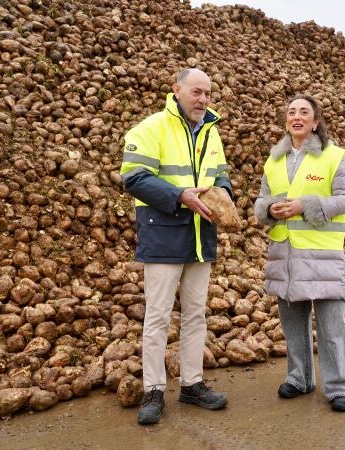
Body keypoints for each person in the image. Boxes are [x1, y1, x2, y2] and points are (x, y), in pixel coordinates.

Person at [119, 68, 231, 425]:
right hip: (164, 231)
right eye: (197, 92)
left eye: (208, 93)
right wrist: (179, 196)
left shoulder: (211, 132)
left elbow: (221, 173)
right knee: (158, 315)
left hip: (201, 236)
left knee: (196, 312)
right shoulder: (150, 128)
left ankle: (192, 384)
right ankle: (153, 389)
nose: (203, 99)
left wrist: (225, 193)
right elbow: (133, 178)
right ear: (176, 90)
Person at [254, 94, 345, 412]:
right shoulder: (273, 162)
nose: (296, 117)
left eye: (304, 112)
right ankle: (299, 378)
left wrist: (306, 206)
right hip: (285, 254)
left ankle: (342, 386)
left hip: (322, 255)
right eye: (291, 112)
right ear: (286, 121)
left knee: (331, 324)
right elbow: (260, 204)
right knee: (293, 322)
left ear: (315, 122)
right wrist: (270, 208)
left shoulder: (333, 156)